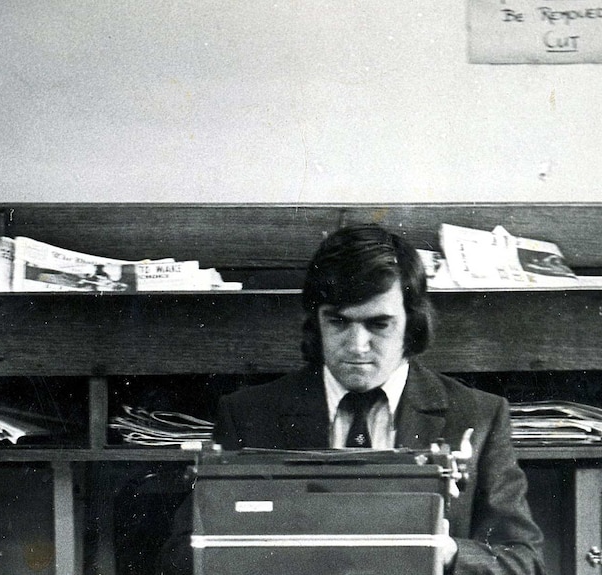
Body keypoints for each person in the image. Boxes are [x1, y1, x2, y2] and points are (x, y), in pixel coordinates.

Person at [161, 223, 545, 575]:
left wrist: (446, 553)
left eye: (379, 324)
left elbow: (524, 561)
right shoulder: (247, 413)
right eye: (339, 322)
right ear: (316, 322)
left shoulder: (478, 415)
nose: (357, 347)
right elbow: (178, 555)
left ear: (413, 322)